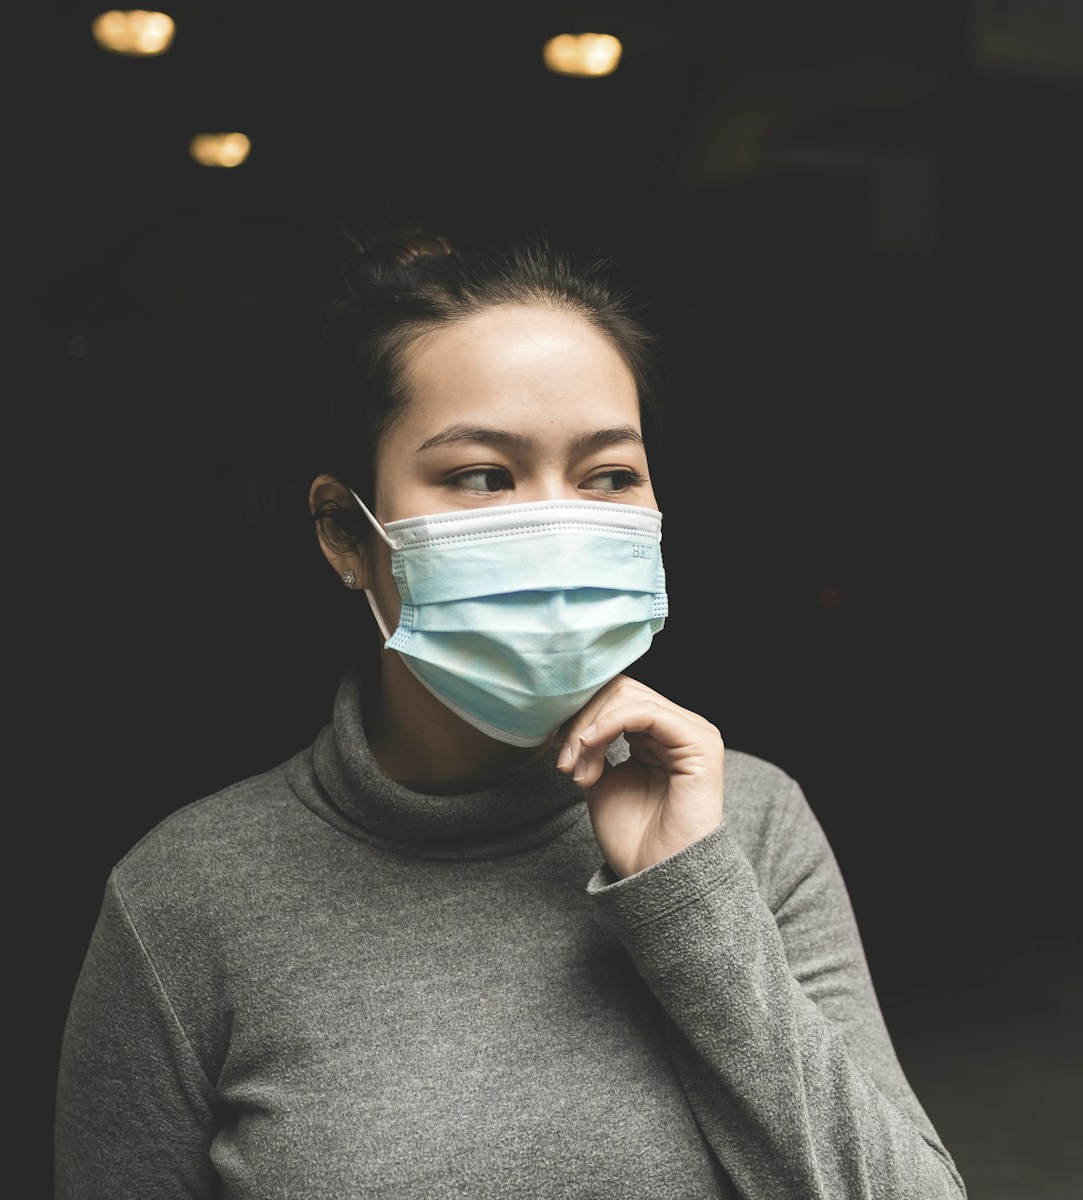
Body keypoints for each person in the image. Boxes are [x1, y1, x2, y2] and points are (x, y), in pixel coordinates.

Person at [54, 228, 967, 1198]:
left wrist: (687, 898)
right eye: (482, 476)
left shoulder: (752, 821)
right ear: (345, 534)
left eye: (609, 475)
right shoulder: (183, 902)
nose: (555, 526)